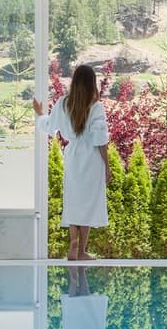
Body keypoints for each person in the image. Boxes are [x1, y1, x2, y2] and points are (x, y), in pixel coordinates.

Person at [33, 65, 112, 260]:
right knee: (88, 203)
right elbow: (100, 140)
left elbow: (49, 126)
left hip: (73, 157)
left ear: (74, 81)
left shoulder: (63, 103)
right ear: (92, 82)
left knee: (74, 201)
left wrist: (40, 113)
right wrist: (107, 167)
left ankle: (73, 243)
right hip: (92, 159)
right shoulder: (96, 107)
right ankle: (82, 250)